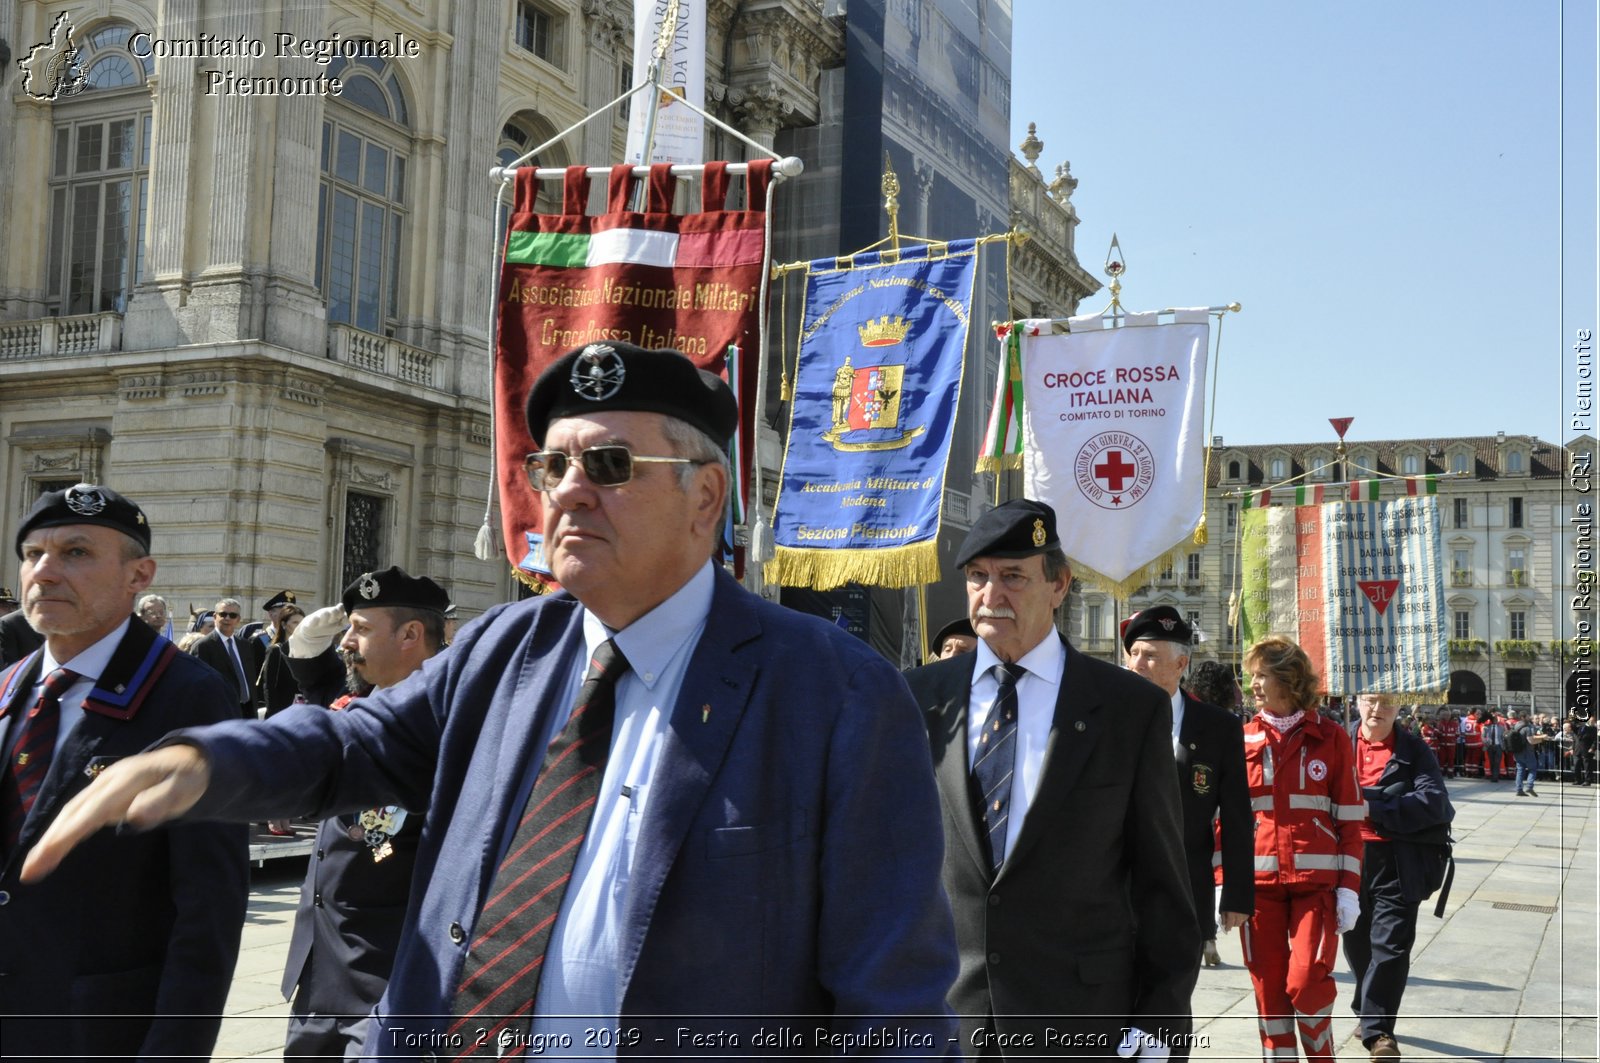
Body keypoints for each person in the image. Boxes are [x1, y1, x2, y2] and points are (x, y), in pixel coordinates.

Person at [25, 343, 957, 1058]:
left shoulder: (835, 694)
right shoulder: (510, 648)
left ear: (706, 496)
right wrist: (199, 759)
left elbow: (895, 1003)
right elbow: (349, 748)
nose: (570, 494)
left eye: (611, 467)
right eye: (553, 468)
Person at [903, 499, 1198, 1058]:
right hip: (946, 1018)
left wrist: (1160, 1022)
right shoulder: (922, 698)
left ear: (1059, 584)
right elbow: (888, 864)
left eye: (1013, 576)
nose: (992, 597)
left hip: (1079, 1019)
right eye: (978, 577)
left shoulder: (1127, 709)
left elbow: (1162, 879)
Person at [0, 483, 248, 1056]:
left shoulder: (186, 696)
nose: (45, 572)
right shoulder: (10, 686)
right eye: (33, 554)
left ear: (140, 577)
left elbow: (209, 907)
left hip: (93, 1029)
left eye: (76, 553)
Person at [284, 568, 450, 1060]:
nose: (346, 643)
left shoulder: (448, 724)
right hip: (320, 973)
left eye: (361, 629)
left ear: (411, 635)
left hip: (390, 982)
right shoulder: (357, 707)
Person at [1239, 636, 1364, 1063]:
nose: (1253, 684)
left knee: (1307, 980)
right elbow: (1227, 821)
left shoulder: (1330, 737)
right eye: (1252, 675)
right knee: (1268, 990)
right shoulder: (1242, 739)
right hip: (1257, 887)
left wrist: (1348, 889)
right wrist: (1225, 884)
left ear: (1288, 679)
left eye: (1262, 675)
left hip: (1317, 887)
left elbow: (1349, 819)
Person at [1122, 607, 1253, 972]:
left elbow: (1238, 812)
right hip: (1117, 889)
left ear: (1181, 664)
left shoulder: (1217, 727)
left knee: (1171, 1003)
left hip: (1185, 887)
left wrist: (1237, 894)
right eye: (1133, 654)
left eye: (1149, 656)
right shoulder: (1108, 720)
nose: (1137, 664)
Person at [1344, 694, 1454, 1063]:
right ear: (1357, 701)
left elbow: (1436, 803)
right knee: (1357, 943)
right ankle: (1367, 1003)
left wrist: (1372, 806)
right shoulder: (1337, 742)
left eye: (1387, 703)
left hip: (1397, 860)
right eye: (1371, 701)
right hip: (1346, 859)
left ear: (1400, 707)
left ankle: (1378, 1033)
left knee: (1390, 946)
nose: (1377, 710)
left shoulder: (1414, 749)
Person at [196, 596, 262, 717]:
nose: (227, 618)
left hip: (247, 711)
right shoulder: (203, 646)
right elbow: (199, 686)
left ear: (238, 619)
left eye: (232, 615)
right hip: (221, 712)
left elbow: (251, 678)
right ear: (215, 617)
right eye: (223, 614)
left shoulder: (245, 645)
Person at [258, 603, 307, 716]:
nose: (299, 626)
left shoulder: (307, 649)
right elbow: (269, 687)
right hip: (281, 711)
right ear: (284, 624)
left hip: (303, 710)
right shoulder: (275, 650)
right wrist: (274, 714)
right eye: (295, 622)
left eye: (302, 623)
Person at [1480, 711, 1505, 782]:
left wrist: (1503, 746)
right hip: (1489, 746)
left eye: (1496, 719)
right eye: (1494, 719)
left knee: (1497, 762)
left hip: (1498, 746)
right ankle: (1492, 774)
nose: (1495, 721)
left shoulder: (1501, 727)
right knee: (1491, 761)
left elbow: (1503, 737)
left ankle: (1495, 777)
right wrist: (1485, 741)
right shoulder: (1486, 727)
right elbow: (1483, 736)